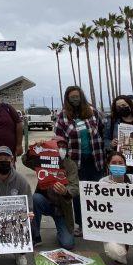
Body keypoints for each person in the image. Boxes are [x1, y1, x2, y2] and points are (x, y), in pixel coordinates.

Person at [54, 86, 105, 237]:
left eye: (77, 96)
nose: (75, 99)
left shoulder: (93, 111)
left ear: (81, 96)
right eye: (72, 97)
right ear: (67, 99)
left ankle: (98, 223)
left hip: (96, 159)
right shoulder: (62, 116)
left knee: (97, 192)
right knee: (78, 194)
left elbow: (102, 130)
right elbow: (58, 139)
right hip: (75, 162)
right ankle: (82, 224)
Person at [21, 136, 78, 250]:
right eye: (58, 146)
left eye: (64, 147)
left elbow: (75, 187)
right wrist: (35, 148)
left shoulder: (70, 164)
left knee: (68, 244)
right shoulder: (44, 158)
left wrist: (65, 191)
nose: (61, 149)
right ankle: (35, 236)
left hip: (61, 208)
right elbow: (25, 161)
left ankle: (61, 232)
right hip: (44, 202)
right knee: (35, 198)